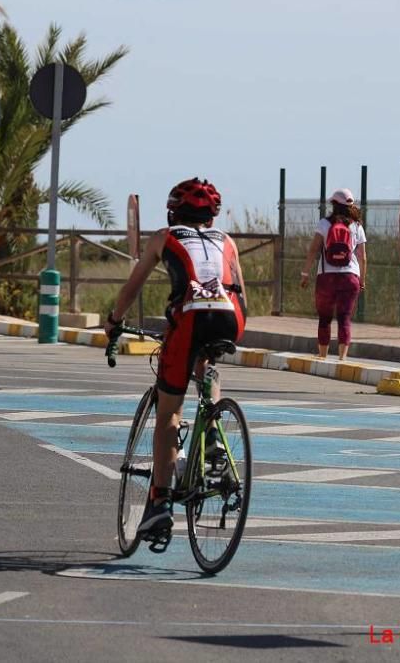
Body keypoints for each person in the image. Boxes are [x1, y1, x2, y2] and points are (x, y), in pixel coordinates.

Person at [104, 178, 247, 539]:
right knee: (207, 365)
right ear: (211, 216)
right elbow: (240, 291)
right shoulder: (227, 241)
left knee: (169, 411)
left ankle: (159, 505)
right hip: (231, 317)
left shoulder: (165, 236)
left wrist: (114, 322)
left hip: (190, 316)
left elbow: (132, 286)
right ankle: (213, 431)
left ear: (173, 211)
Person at [300, 188, 368, 360]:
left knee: (325, 317)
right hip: (350, 277)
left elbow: (313, 250)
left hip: (326, 277)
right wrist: (362, 280)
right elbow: (363, 257)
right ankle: (342, 358)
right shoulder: (357, 226)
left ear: (334, 205)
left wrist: (305, 273)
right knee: (344, 317)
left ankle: (322, 355)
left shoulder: (324, 224)